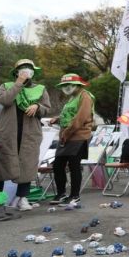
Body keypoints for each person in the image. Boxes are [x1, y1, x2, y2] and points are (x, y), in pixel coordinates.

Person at [0, 59, 51, 211]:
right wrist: (19, 83)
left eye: (29, 69)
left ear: (33, 72)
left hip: (29, 133)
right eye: (22, 69)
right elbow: (5, 100)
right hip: (7, 133)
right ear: (16, 72)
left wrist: (38, 106)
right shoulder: (6, 86)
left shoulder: (40, 89)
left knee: (27, 164)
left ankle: (22, 198)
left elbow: (47, 108)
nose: (26, 71)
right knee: (0, 164)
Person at [48, 74, 94, 205]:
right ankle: (61, 193)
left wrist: (67, 132)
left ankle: (74, 195)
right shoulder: (72, 97)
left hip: (78, 135)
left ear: (78, 85)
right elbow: (68, 114)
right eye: (64, 86)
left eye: (69, 85)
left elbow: (81, 118)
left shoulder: (85, 96)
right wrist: (57, 118)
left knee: (74, 166)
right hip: (66, 136)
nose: (66, 88)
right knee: (58, 165)